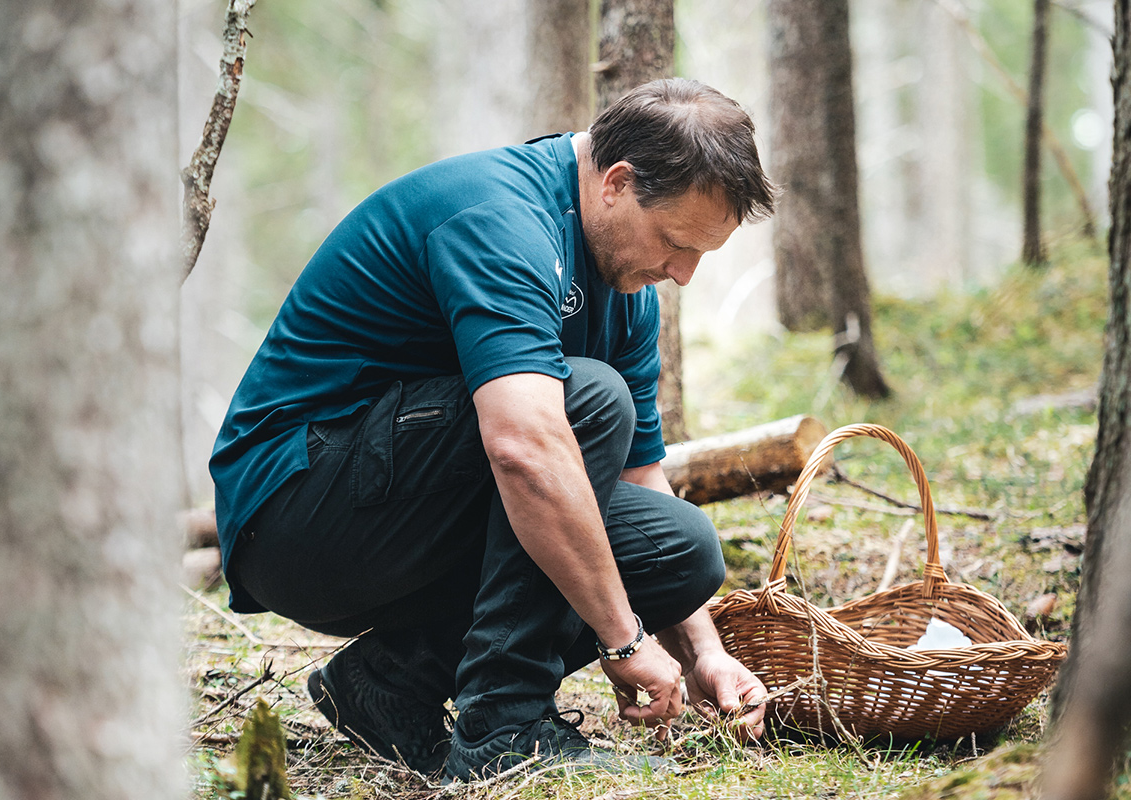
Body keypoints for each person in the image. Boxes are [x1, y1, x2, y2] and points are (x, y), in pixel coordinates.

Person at [210, 78, 776, 781]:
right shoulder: (501, 219)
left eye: (701, 255)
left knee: (679, 551)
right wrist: (624, 641)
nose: (683, 275)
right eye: (674, 242)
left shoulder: (626, 288)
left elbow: (639, 479)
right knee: (585, 401)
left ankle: (389, 683)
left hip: (403, 509)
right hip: (296, 517)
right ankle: (504, 728)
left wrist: (702, 653)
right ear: (617, 183)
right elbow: (522, 446)